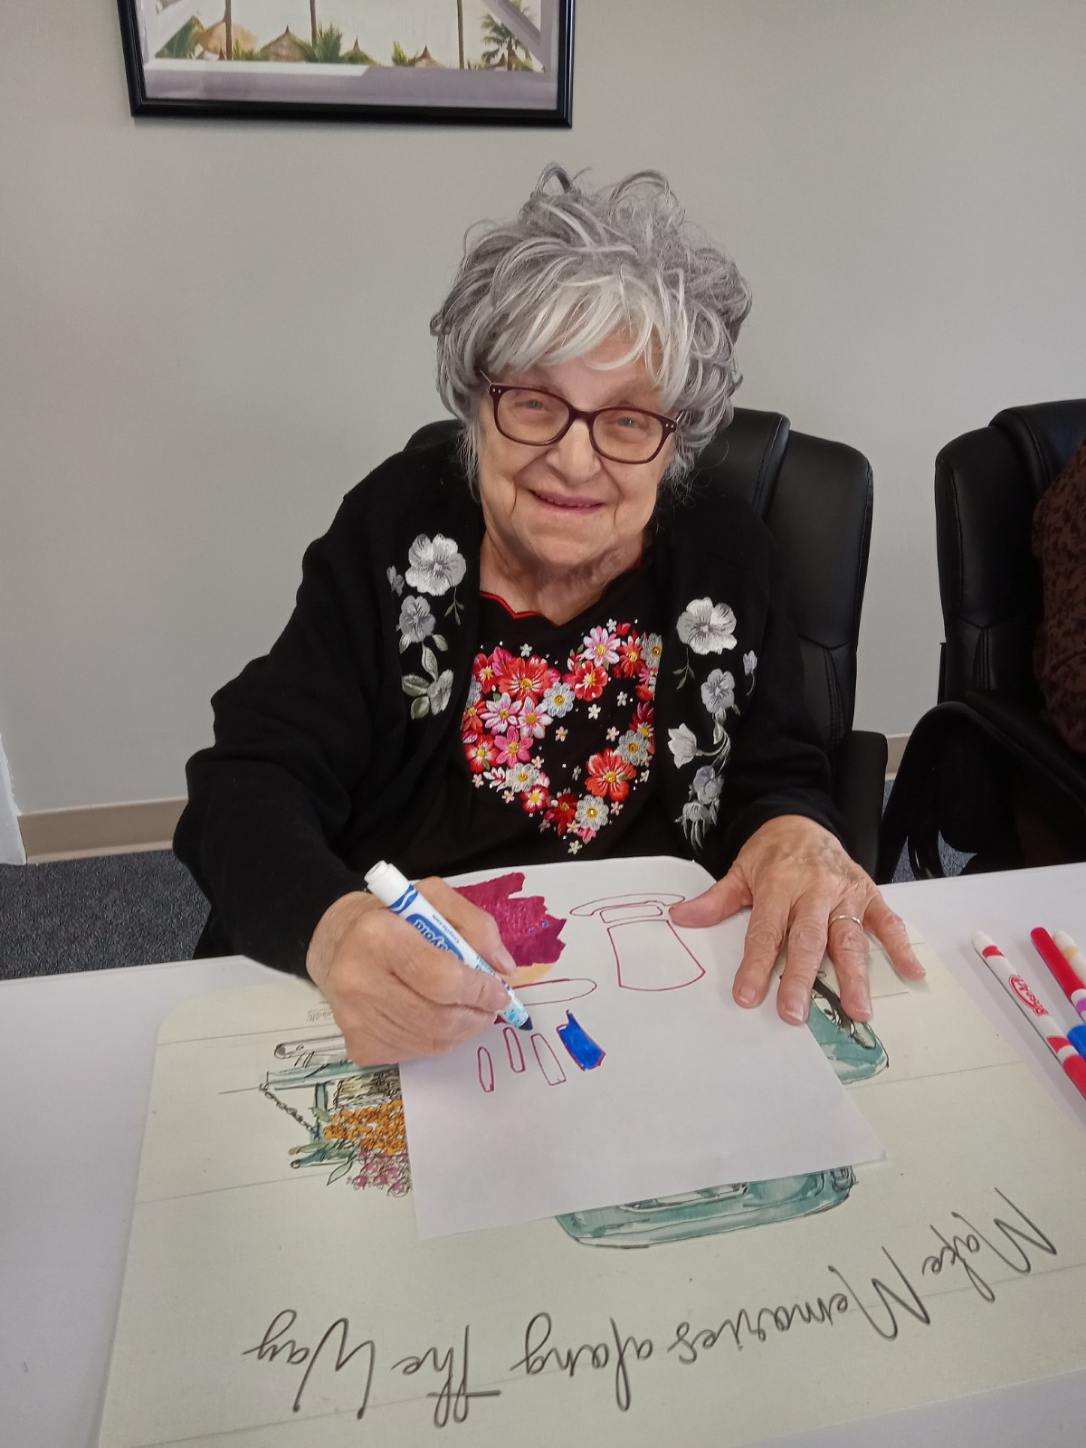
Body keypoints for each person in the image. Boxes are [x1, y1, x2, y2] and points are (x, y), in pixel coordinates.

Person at [174, 165, 923, 1066]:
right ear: (476, 408)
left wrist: (794, 831)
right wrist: (334, 932)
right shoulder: (395, 528)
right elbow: (251, 780)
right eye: (534, 403)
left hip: (660, 991)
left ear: (677, 440)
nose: (574, 460)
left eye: (628, 419)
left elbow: (780, 768)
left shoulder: (726, 552)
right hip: (417, 993)